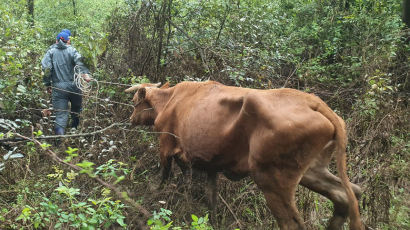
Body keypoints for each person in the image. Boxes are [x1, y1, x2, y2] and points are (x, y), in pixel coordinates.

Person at [41, 31, 91, 136]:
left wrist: (47, 84)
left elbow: (46, 69)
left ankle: (60, 142)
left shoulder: (50, 52)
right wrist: (85, 74)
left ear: (56, 40)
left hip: (58, 88)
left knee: (60, 115)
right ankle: (74, 131)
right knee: (76, 110)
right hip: (74, 86)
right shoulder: (72, 50)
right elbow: (80, 61)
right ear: (68, 41)